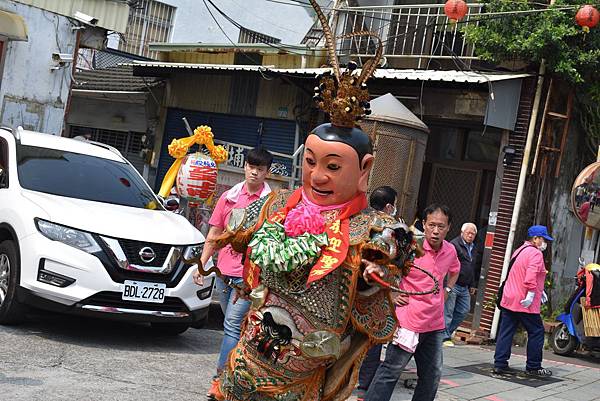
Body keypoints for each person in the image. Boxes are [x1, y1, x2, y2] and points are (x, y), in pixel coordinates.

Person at [193, 147, 273, 399]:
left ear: (267, 172)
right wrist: (202, 265)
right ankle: (243, 374)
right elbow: (214, 234)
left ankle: (220, 380)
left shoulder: (270, 204)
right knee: (237, 328)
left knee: (230, 325)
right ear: (244, 167)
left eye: (260, 169)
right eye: (251, 167)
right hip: (223, 272)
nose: (254, 172)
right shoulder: (229, 197)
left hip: (249, 276)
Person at [365, 204, 460, 401]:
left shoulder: (450, 250)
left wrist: (447, 290)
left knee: (432, 376)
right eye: (431, 225)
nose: (435, 231)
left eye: (441, 226)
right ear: (423, 224)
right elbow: (386, 269)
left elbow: (455, 270)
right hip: (409, 321)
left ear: (449, 227)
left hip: (435, 324)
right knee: (391, 371)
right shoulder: (409, 248)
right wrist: (391, 294)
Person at [356, 186, 409, 400]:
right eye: (394, 204)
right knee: (373, 340)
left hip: (354, 291)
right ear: (389, 206)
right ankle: (364, 387)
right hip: (377, 293)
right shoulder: (392, 228)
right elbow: (398, 265)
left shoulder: (359, 220)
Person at [493, 225, 553, 377]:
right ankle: (533, 366)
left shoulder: (519, 250)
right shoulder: (536, 254)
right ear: (535, 239)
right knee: (537, 331)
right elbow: (530, 276)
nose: (545, 242)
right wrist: (532, 294)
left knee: (506, 331)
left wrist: (541, 291)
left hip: (509, 298)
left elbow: (519, 273)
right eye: (543, 239)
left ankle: (500, 364)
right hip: (524, 301)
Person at [443, 222, 481, 346]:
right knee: (448, 311)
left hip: (465, 286)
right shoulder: (454, 245)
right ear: (462, 233)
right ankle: (444, 337)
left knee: (464, 310)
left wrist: (472, 284)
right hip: (453, 283)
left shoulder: (473, 247)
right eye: (468, 233)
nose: (470, 235)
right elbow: (449, 265)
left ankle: (446, 333)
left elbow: (473, 267)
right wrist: (447, 285)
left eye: (473, 234)